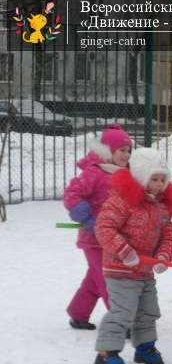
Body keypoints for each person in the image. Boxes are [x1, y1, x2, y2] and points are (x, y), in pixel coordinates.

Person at [93, 148, 172, 364]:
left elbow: (168, 235)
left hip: (145, 270)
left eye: (163, 179)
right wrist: (124, 251)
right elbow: (104, 227)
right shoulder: (123, 199)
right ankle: (106, 353)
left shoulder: (161, 206)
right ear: (141, 176)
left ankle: (144, 347)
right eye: (154, 178)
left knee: (148, 311)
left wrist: (163, 257)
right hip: (119, 269)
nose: (159, 184)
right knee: (123, 312)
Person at [63, 125, 132, 330]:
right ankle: (122, 321)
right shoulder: (94, 173)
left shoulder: (124, 174)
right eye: (121, 150)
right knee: (108, 278)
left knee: (95, 278)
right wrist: (88, 219)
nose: (126, 154)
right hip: (93, 238)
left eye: (128, 150)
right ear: (108, 150)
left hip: (114, 237)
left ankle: (78, 312)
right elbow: (71, 194)